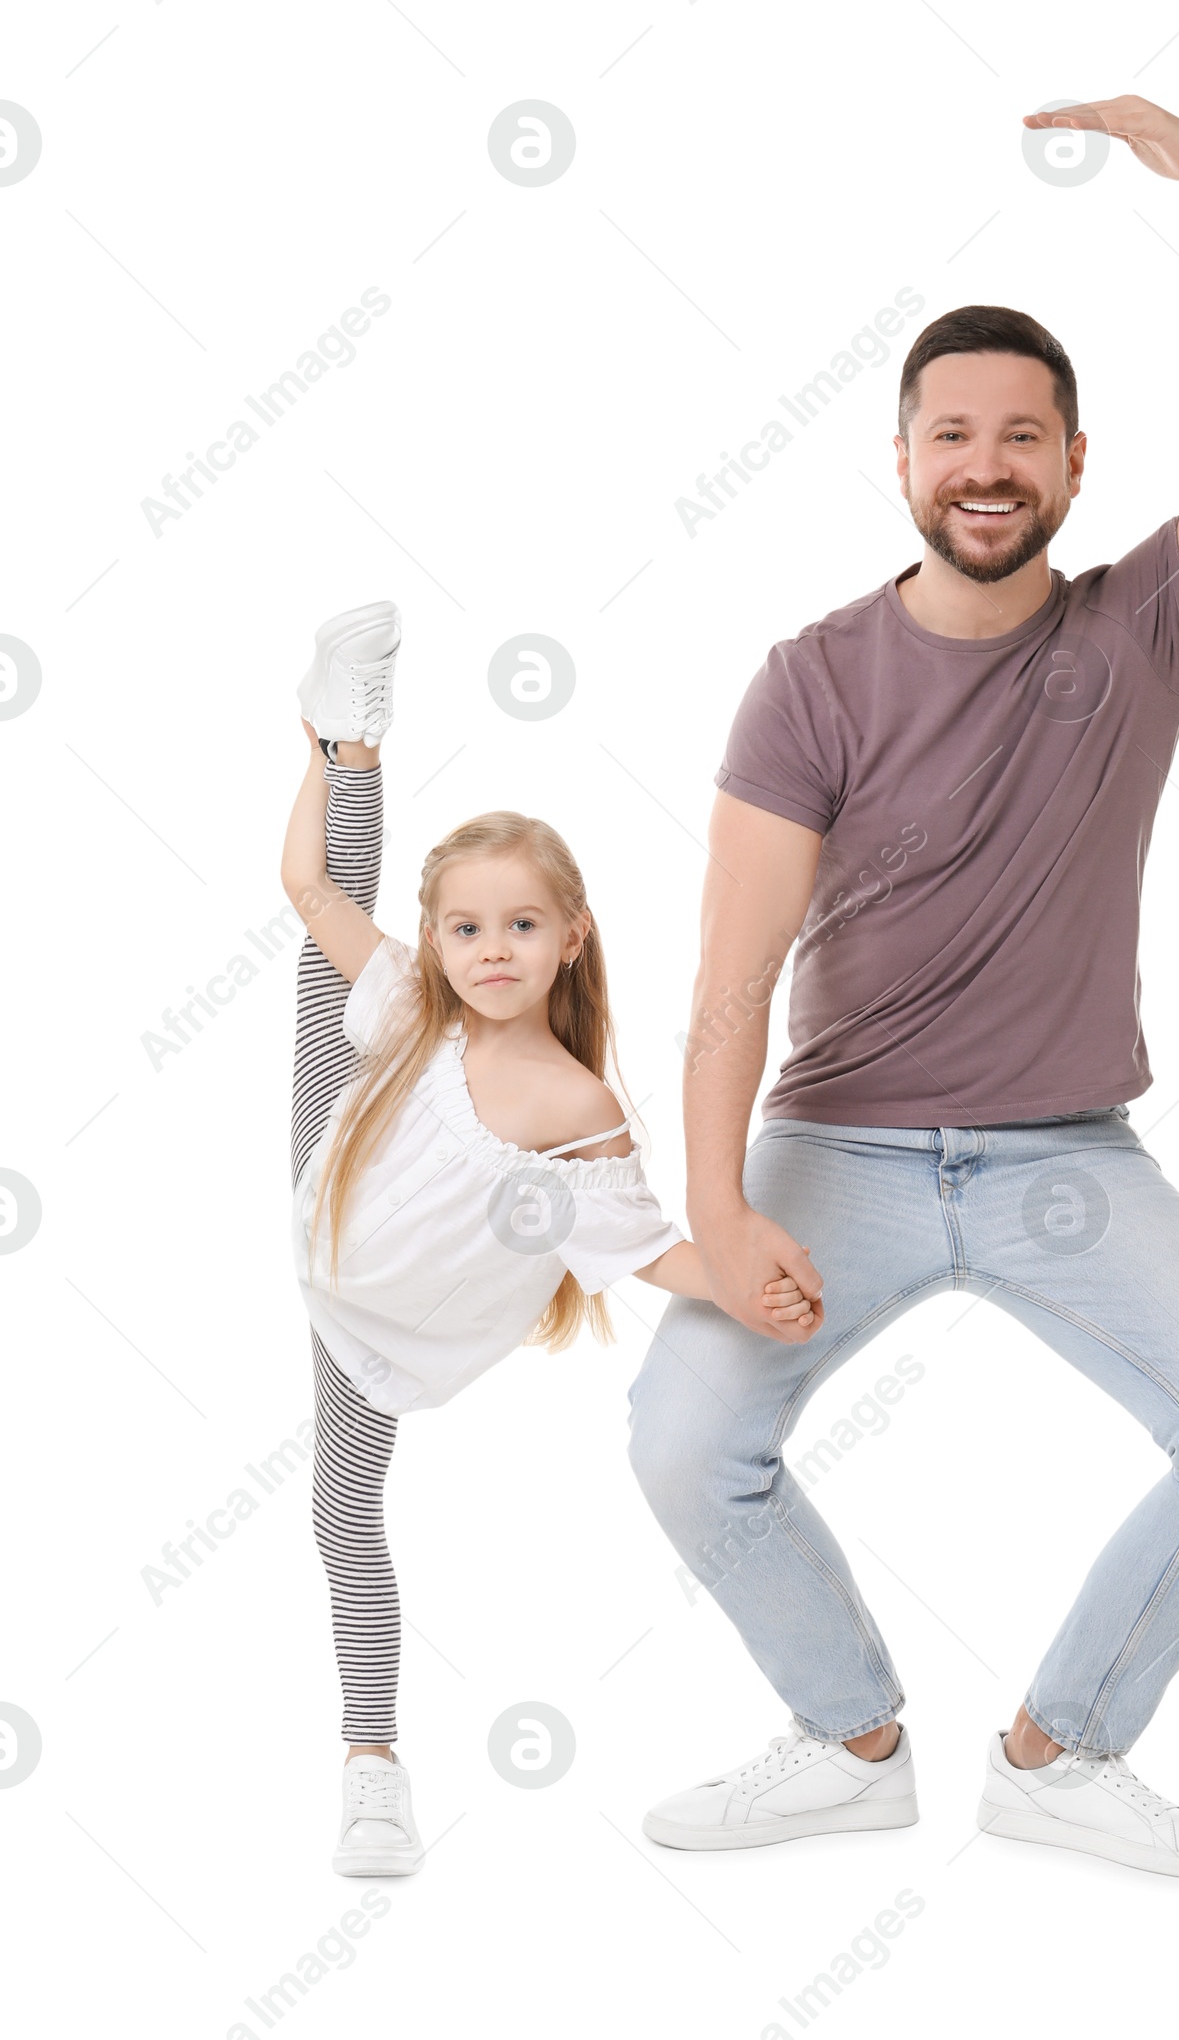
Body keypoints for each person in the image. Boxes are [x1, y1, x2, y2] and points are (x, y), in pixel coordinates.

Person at [627, 96, 1179, 1880]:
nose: (985, 461)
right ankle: (850, 1737)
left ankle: (1058, 1751)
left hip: (1065, 1161)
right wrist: (717, 1212)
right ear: (900, 465)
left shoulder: (1140, 632)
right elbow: (732, 979)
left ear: (1073, 464)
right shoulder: (809, 681)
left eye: (1020, 435)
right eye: (951, 432)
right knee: (680, 1448)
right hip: (841, 1152)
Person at [282, 601, 810, 1876]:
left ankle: (369, 1770)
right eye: (465, 927)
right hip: (326, 1159)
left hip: (378, 1314)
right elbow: (304, 883)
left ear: (570, 933)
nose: (490, 951)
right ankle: (348, 738)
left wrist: (748, 1286)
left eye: (519, 925)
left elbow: (642, 1251)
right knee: (324, 941)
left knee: (344, 1511)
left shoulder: (576, 1110)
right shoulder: (415, 999)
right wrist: (314, 763)